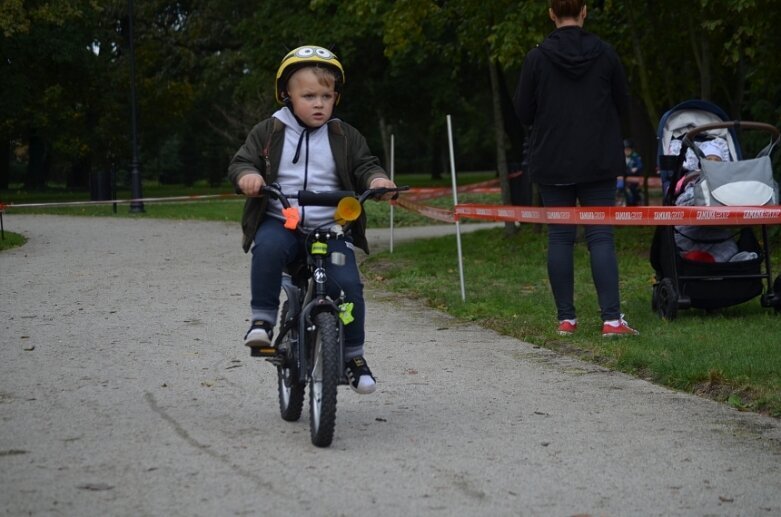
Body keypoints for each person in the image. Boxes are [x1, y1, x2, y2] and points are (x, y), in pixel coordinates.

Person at [227, 45, 397, 394]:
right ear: (286, 95)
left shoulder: (344, 135)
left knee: (349, 287)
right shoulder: (270, 131)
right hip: (283, 221)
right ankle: (262, 319)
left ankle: (353, 357)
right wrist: (248, 177)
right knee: (269, 248)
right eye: (308, 95)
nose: (318, 103)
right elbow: (242, 162)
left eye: (326, 95)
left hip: (331, 226)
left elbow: (366, 165)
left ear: (336, 97)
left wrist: (377, 180)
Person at [513, 0, 638, 337]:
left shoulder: (536, 58)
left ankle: (566, 319)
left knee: (560, 237)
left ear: (551, 13)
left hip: (552, 159)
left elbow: (523, 112)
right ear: (584, 11)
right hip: (598, 158)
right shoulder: (606, 54)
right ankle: (612, 320)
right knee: (600, 237)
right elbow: (624, 104)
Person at [622, 139, 643, 206]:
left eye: (628, 150)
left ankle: (635, 202)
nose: (627, 151)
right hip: (624, 180)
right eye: (625, 150)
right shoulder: (621, 158)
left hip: (634, 181)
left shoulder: (635, 157)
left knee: (634, 193)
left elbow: (640, 166)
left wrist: (635, 169)